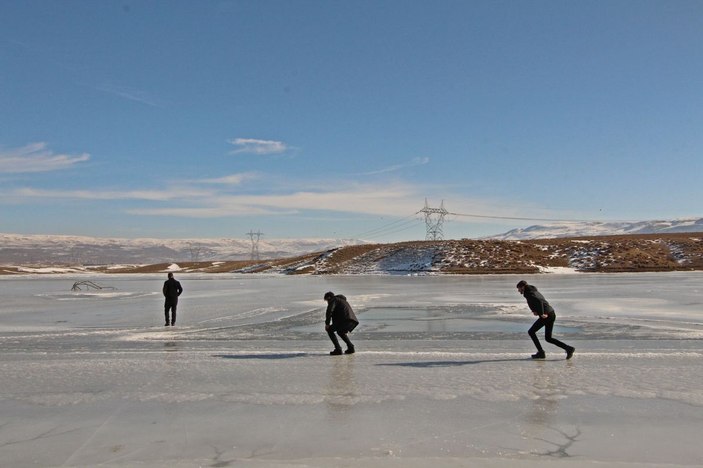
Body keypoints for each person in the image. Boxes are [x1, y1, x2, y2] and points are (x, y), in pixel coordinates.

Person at [517, 280, 575, 360]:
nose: (518, 290)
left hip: (546, 315)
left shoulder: (529, 293)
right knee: (548, 338)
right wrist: (535, 310)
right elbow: (536, 302)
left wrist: (542, 313)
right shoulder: (532, 290)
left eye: (519, 288)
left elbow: (539, 301)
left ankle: (541, 352)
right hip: (551, 313)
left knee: (531, 332)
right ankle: (569, 348)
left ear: (523, 287)